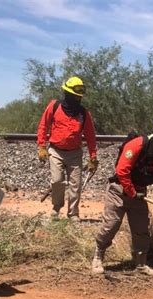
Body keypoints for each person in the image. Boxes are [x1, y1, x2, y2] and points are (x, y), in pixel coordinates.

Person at [91, 122, 153, 276]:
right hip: (118, 190)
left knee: (141, 230)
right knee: (111, 225)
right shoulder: (138, 145)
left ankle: (141, 264)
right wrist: (132, 192)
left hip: (139, 194)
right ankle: (98, 257)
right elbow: (121, 171)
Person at [37, 76, 98, 221]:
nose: (77, 99)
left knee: (75, 185)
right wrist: (42, 146)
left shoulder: (84, 113)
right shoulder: (54, 106)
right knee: (57, 181)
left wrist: (93, 157)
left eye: (79, 97)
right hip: (56, 151)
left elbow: (90, 136)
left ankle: (73, 214)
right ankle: (56, 208)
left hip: (75, 154)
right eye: (74, 96)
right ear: (67, 94)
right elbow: (43, 126)